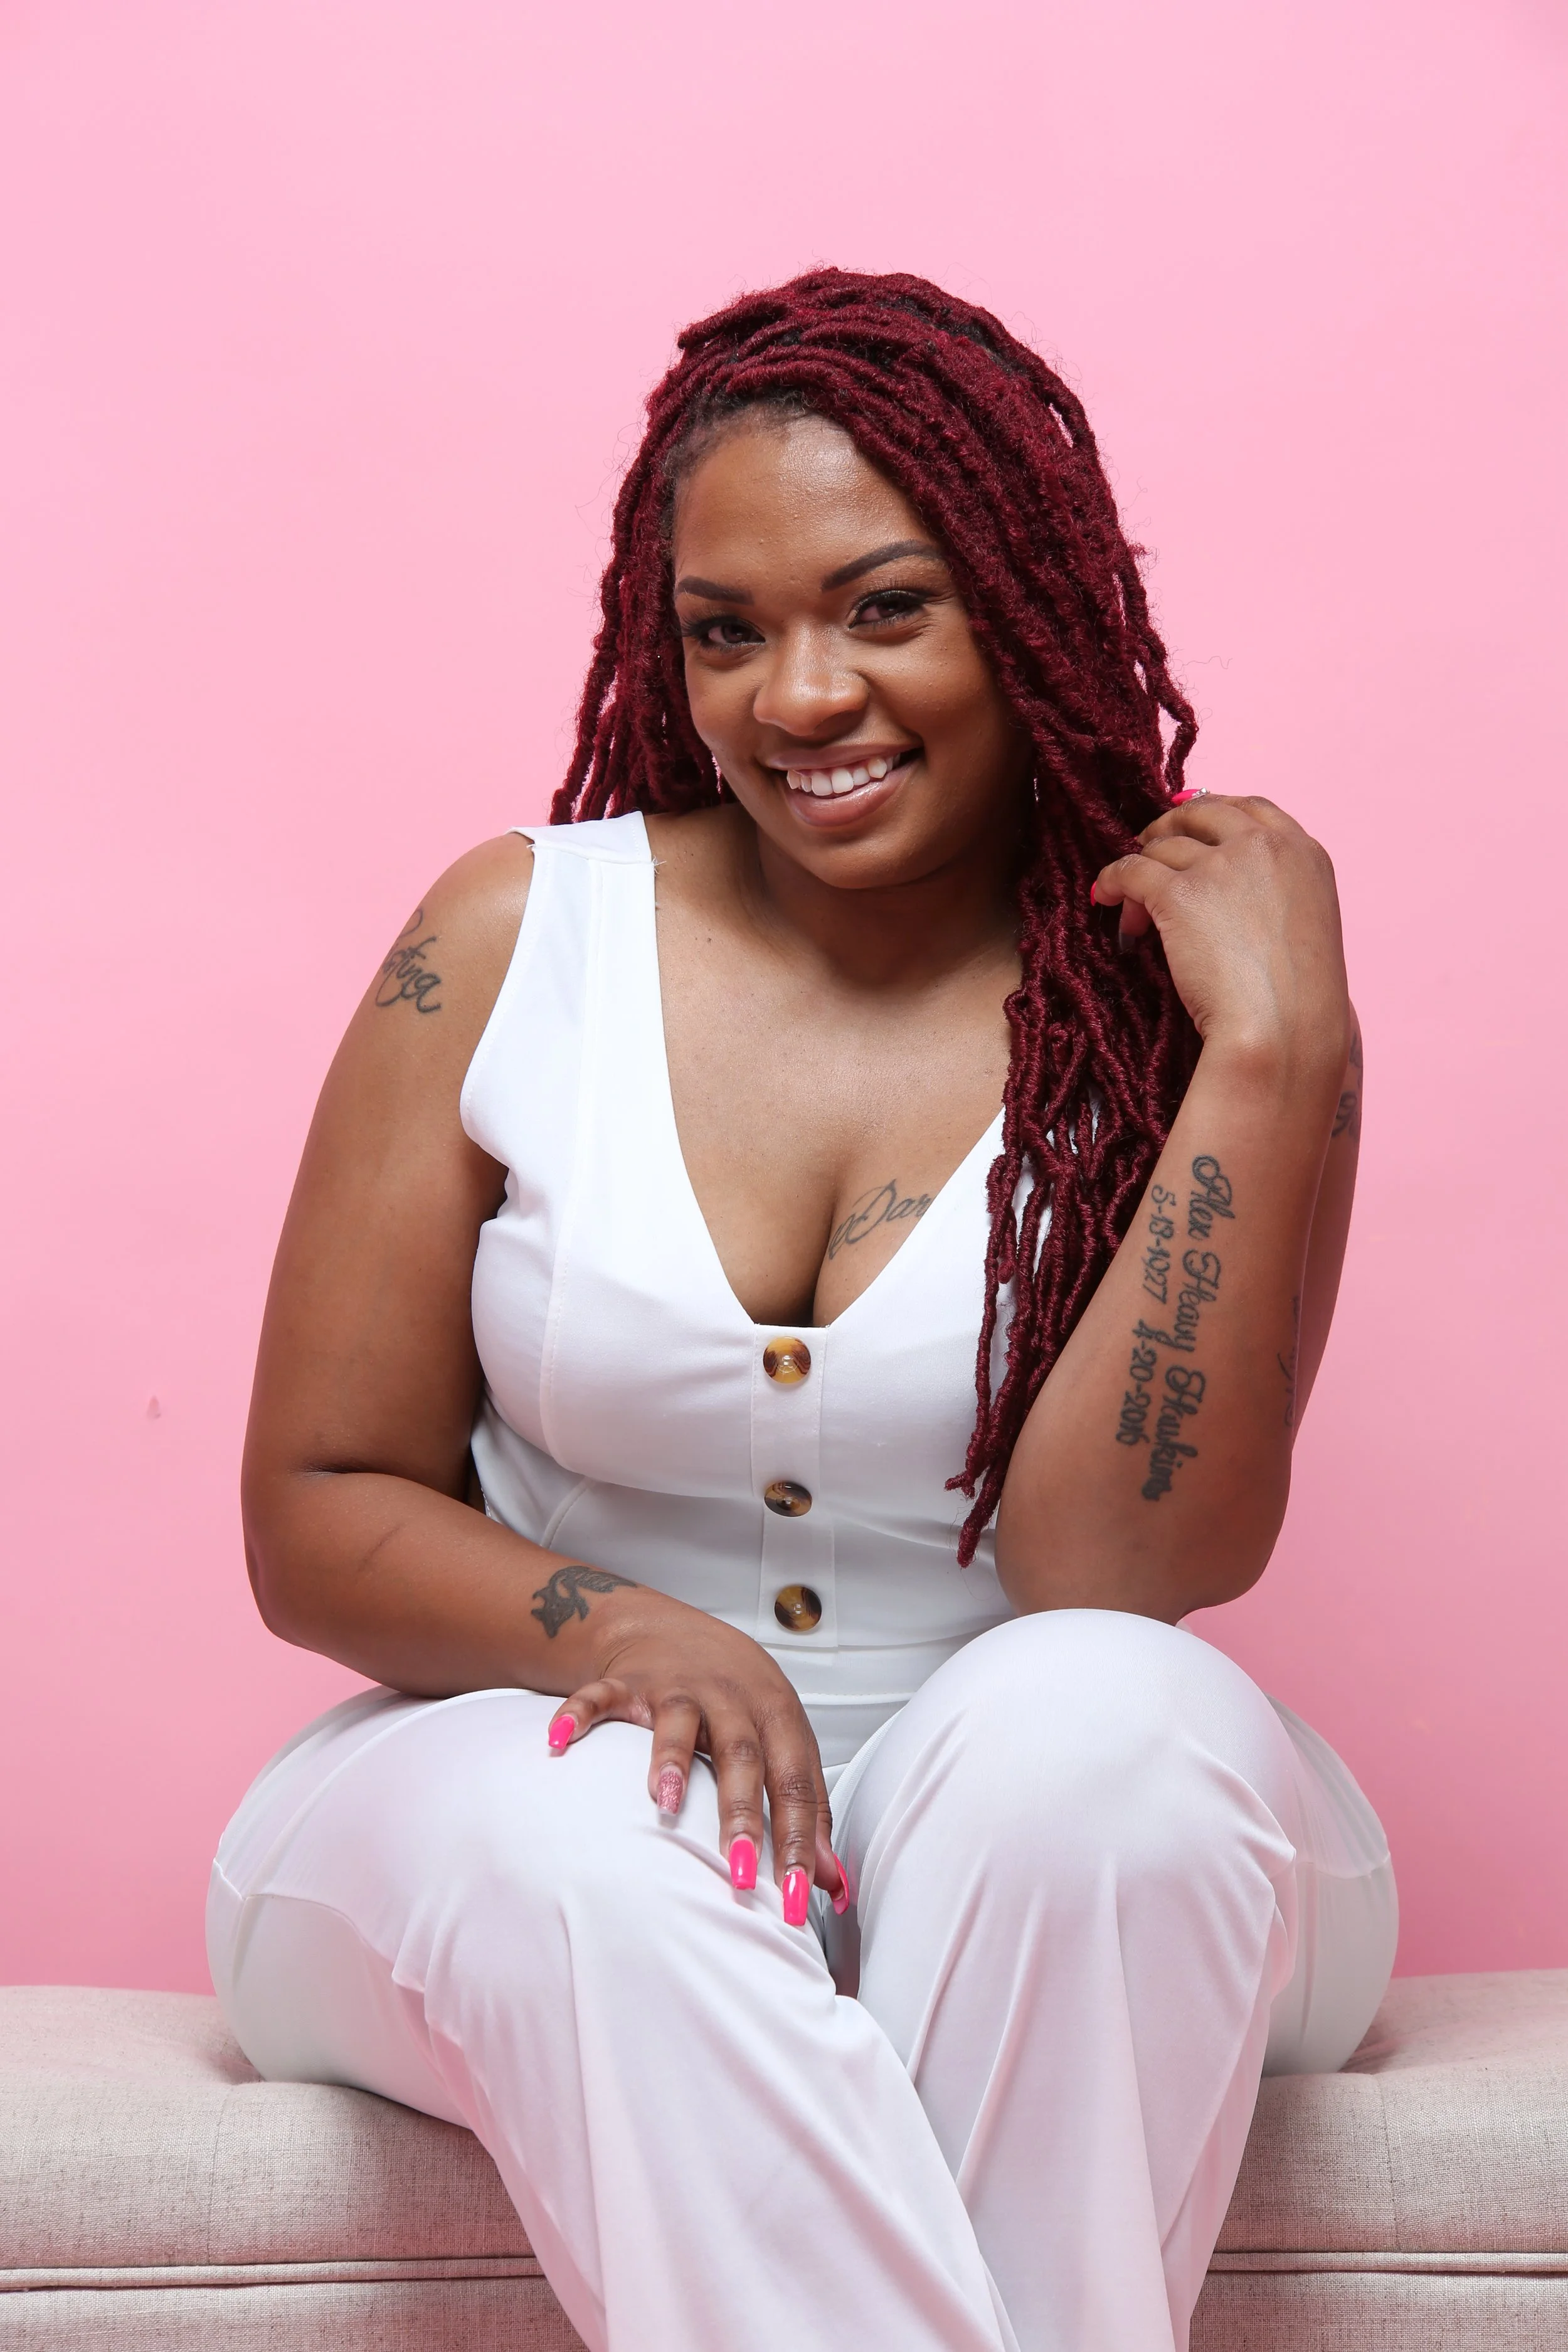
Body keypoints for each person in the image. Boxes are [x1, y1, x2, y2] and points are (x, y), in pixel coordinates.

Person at [208, 268, 1394, 2352]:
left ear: (1028, 602)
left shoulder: (1200, 993)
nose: (796, 696)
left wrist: (1271, 1059)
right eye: (724, 628)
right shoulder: (511, 940)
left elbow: (1115, 1573)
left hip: (1056, 1839)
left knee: (1098, 1736)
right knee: (592, 1826)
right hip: (535, 1770)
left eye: (884, 606)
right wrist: (627, 1634)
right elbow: (317, 1499)